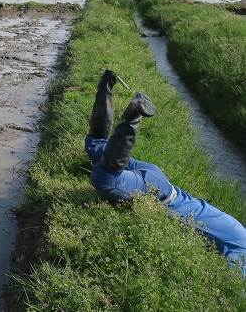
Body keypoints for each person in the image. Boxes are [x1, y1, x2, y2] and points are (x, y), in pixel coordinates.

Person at [85, 70, 246, 275]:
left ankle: (107, 83)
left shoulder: (239, 232)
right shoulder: (242, 250)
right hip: (159, 193)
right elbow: (231, 283)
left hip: (158, 179)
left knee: (96, 144)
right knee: (104, 179)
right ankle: (133, 117)